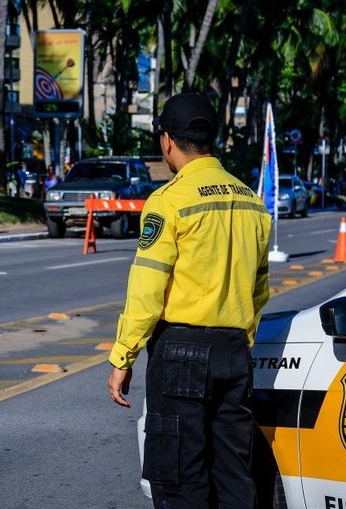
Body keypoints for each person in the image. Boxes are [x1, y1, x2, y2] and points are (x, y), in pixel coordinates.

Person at [107, 93, 271, 508]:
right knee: (235, 476)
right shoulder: (252, 201)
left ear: (167, 141)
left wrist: (123, 357)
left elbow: (147, 290)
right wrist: (240, 340)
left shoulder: (169, 201)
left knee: (180, 482)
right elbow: (259, 289)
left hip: (180, 352)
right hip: (234, 351)